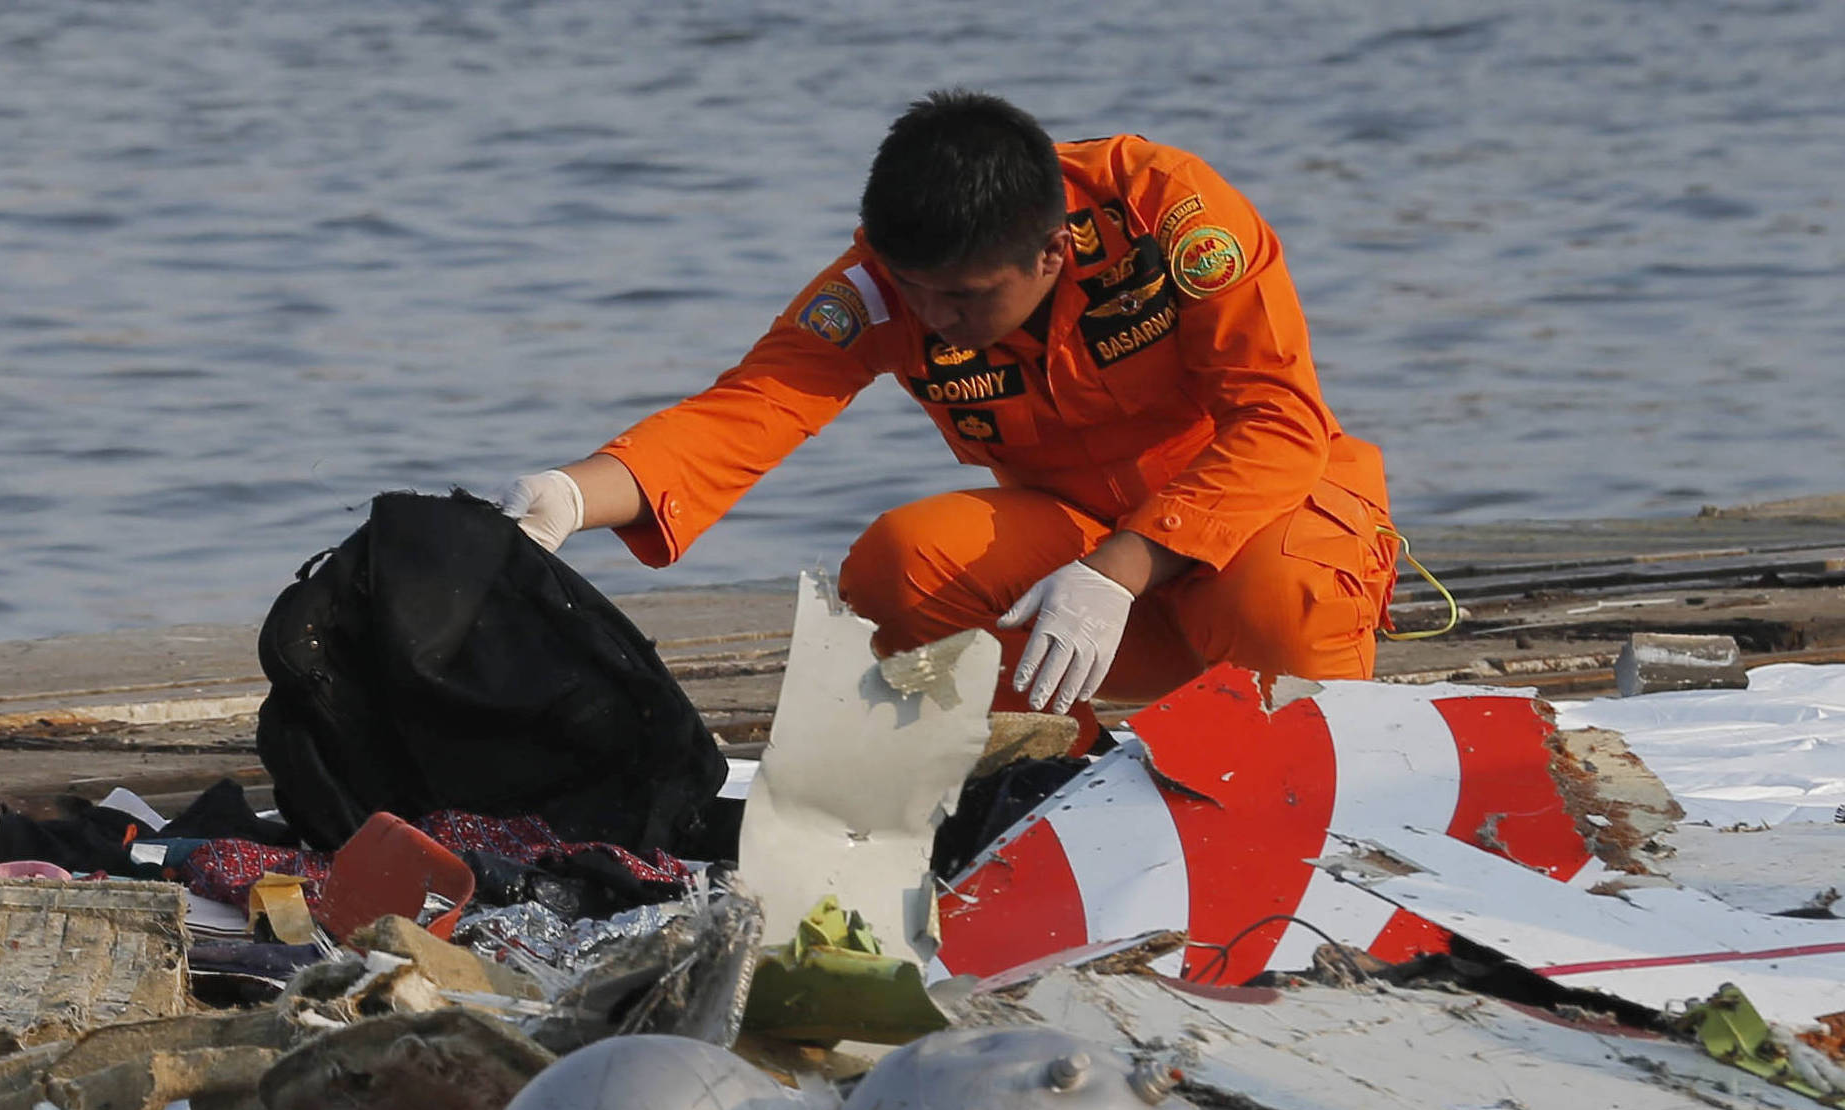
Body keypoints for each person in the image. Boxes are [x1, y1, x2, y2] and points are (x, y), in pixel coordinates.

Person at [501, 90, 1398, 720]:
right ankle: (1043, 775)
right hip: (1079, 570)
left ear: (1051, 254)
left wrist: (1121, 568)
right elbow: (743, 413)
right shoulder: (885, 289)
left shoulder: (1164, 214)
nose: (933, 319)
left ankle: (1320, 770)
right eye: (913, 287)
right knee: (895, 569)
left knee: (1286, 592)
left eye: (965, 300)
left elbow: (1279, 421)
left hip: (1256, 540)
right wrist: (567, 499)